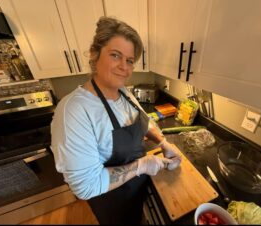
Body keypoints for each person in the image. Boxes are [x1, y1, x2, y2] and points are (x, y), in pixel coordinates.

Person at [51, 16, 182, 225]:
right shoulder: (73, 111)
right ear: (94, 54)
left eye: (130, 60)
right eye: (115, 55)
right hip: (112, 201)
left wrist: (163, 142)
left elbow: (144, 122)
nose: (124, 67)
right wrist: (141, 166)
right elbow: (86, 186)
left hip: (138, 189)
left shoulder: (123, 93)